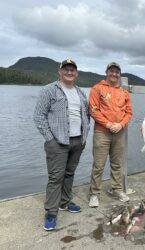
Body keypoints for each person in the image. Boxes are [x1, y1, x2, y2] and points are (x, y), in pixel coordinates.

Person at [33, 59, 90, 231]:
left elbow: (86, 115)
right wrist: (50, 139)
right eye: (66, 69)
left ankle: (64, 202)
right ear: (60, 72)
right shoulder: (49, 90)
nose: (69, 72)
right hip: (57, 142)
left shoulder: (80, 92)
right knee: (55, 177)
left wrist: (84, 134)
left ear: (76, 73)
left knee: (69, 173)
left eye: (72, 70)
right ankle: (51, 212)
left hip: (77, 141)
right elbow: (39, 117)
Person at [88, 62, 132, 207]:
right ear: (106, 72)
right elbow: (93, 110)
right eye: (111, 71)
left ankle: (117, 189)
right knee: (98, 165)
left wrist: (121, 124)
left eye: (117, 72)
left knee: (117, 164)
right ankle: (94, 193)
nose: (114, 74)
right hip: (102, 132)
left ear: (119, 74)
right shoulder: (97, 88)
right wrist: (107, 124)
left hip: (119, 132)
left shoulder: (124, 92)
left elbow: (129, 112)